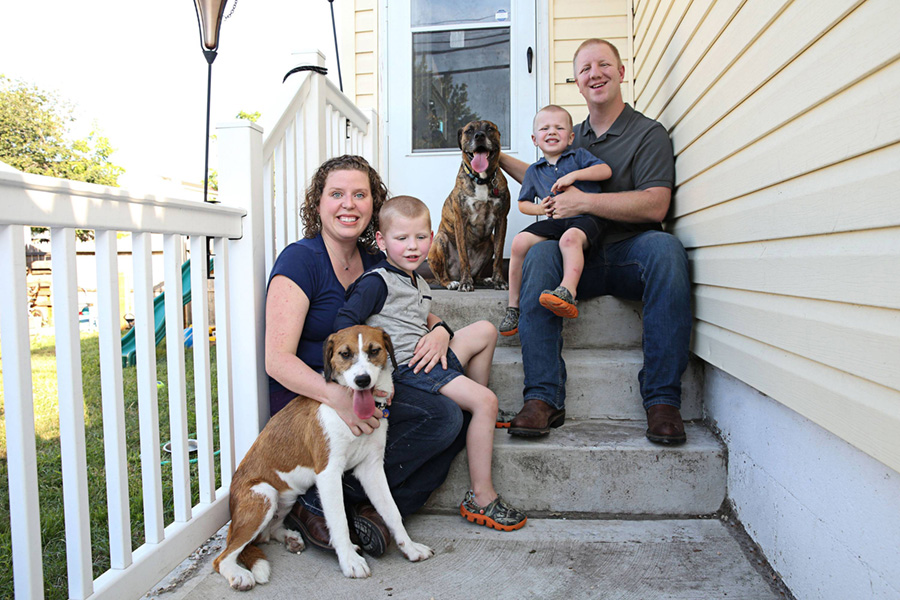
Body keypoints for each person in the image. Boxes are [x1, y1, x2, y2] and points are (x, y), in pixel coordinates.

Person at [265, 155, 469, 557]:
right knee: (441, 416)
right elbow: (277, 360)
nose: (348, 204)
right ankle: (315, 501)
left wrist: (442, 329)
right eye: (336, 194)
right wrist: (335, 397)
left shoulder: (377, 260)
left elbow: (413, 308)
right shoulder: (301, 260)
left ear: (374, 204)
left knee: (454, 416)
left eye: (360, 194)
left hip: (366, 388)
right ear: (318, 203)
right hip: (311, 399)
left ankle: (369, 514)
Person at [499, 38, 692, 445]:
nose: (595, 74)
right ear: (578, 82)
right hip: (578, 253)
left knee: (668, 251)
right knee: (537, 255)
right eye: (585, 69)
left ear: (621, 73)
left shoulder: (647, 134)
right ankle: (542, 397)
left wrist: (586, 201)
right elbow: (538, 174)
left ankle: (662, 400)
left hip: (629, 252)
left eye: (604, 64)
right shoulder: (569, 135)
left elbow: (656, 205)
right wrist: (491, 155)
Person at [334, 195, 528, 531]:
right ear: (381, 241)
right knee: (487, 401)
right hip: (410, 369)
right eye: (402, 239)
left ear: (433, 237)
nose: (413, 247)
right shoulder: (376, 281)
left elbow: (419, 314)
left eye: (421, 238)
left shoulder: (418, 280)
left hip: (430, 357)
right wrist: (374, 376)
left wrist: (439, 328)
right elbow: (345, 324)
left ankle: (474, 410)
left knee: (484, 330)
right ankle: (481, 498)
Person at [498, 104, 612, 337]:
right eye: (545, 128)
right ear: (534, 139)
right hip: (556, 219)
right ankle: (513, 306)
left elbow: (605, 171)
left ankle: (567, 291)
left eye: (559, 128)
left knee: (569, 240)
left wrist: (575, 175)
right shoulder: (534, 172)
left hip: (586, 218)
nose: (551, 132)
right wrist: (540, 208)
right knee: (519, 242)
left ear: (570, 137)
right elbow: (523, 203)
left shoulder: (579, 157)